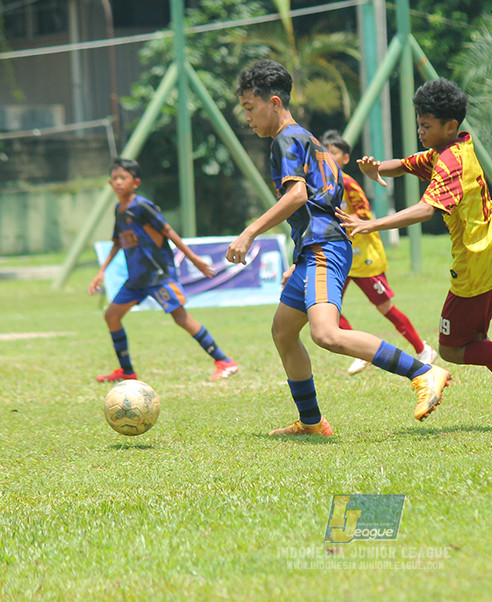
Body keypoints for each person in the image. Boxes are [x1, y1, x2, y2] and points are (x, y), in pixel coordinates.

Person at [226, 59, 451, 436]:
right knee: (283, 331)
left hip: (322, 247)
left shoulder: (285, 140)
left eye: (250, 108)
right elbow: (321, 199)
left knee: (326, 334)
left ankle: (424, 371)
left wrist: (250, 231)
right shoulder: (308, 140)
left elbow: (297, 195)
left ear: (275, 102)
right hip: (316, 248)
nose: (247, 118)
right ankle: (311, 421)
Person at [336, 78, 492, 430]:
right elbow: (408, 164)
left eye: (425, 126)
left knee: (451, 349)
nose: (419, 131)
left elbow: (425, 210)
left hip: (478, 259)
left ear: (450, 126)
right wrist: (376, 168)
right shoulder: (454, 147)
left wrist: (372, 224)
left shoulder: (450, 164)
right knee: (476, 340)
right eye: (419, 123)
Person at [89, 158, 240, 383]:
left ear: (135, 182)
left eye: (124, 178)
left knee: (181, 318)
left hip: (158, 276)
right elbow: (118, 242)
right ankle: (127, 371)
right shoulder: (119, 210)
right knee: (111, 316)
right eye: (115, 178)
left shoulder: (142, 206)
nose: (118, 182)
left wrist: (194, 258)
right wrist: (101, 271)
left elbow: (169, 232)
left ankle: (224, 361)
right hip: (137, 279)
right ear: (110, 183)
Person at [320, 129, 437, 376]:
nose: (329, 157)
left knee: (385, 308)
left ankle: (421, 348)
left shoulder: (348, 184)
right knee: (326, 308)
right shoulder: (324, 184)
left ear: (345, 158)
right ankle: (359, 352)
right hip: (341, 257)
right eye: (325, 153)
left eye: (334, 153)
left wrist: (349, 219)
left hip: (364, 257)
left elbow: (365, 216)